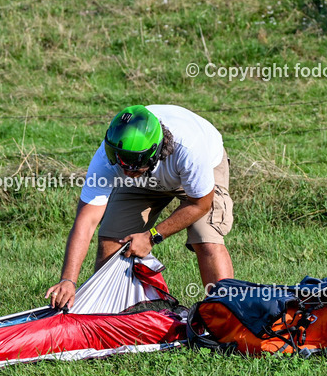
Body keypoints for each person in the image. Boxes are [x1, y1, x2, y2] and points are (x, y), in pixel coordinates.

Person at [45, 104, 233, 309]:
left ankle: (224, 314)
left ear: (154, 152)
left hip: (197, 179)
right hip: (144, 180)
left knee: (206, 239)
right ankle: (108, 315)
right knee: (113, 242)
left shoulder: (190, 150)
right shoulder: (113, 160)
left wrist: (152, 236)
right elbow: (86, 221)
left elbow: (200, 204)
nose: (125, 170)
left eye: (132, 163)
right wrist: (68, 280)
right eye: (120, 163)